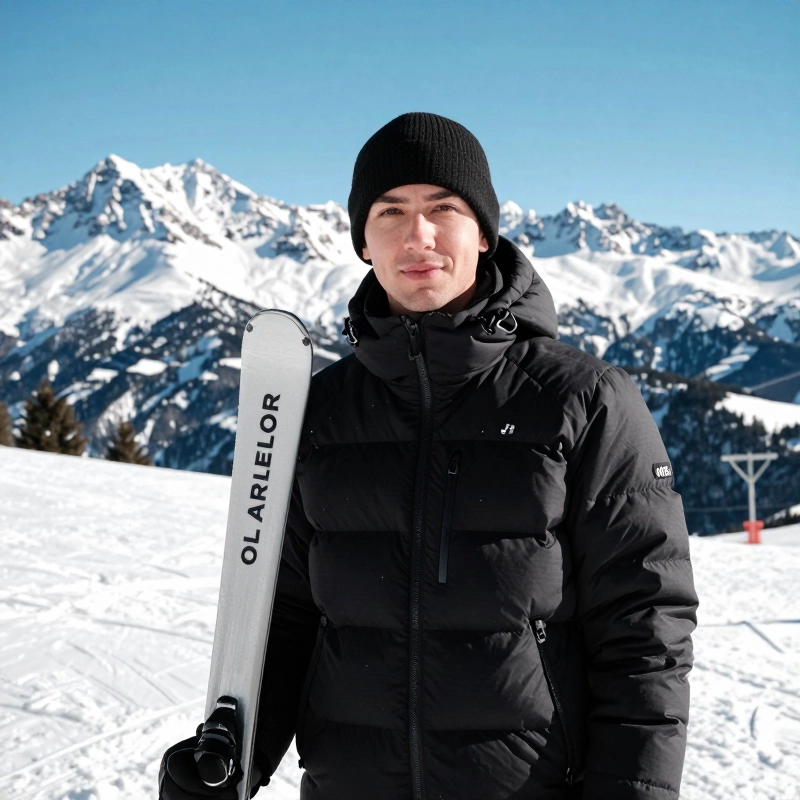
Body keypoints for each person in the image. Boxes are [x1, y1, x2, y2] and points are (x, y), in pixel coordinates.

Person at [160, 112, 698, 800]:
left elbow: (645, 629)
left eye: (444, 208)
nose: (418, 236)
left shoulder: (584, 400)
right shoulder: (319, 411)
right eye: (390, 212)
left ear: (483, 233)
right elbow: (287, 616)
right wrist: (233, 758)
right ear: (363, 241)